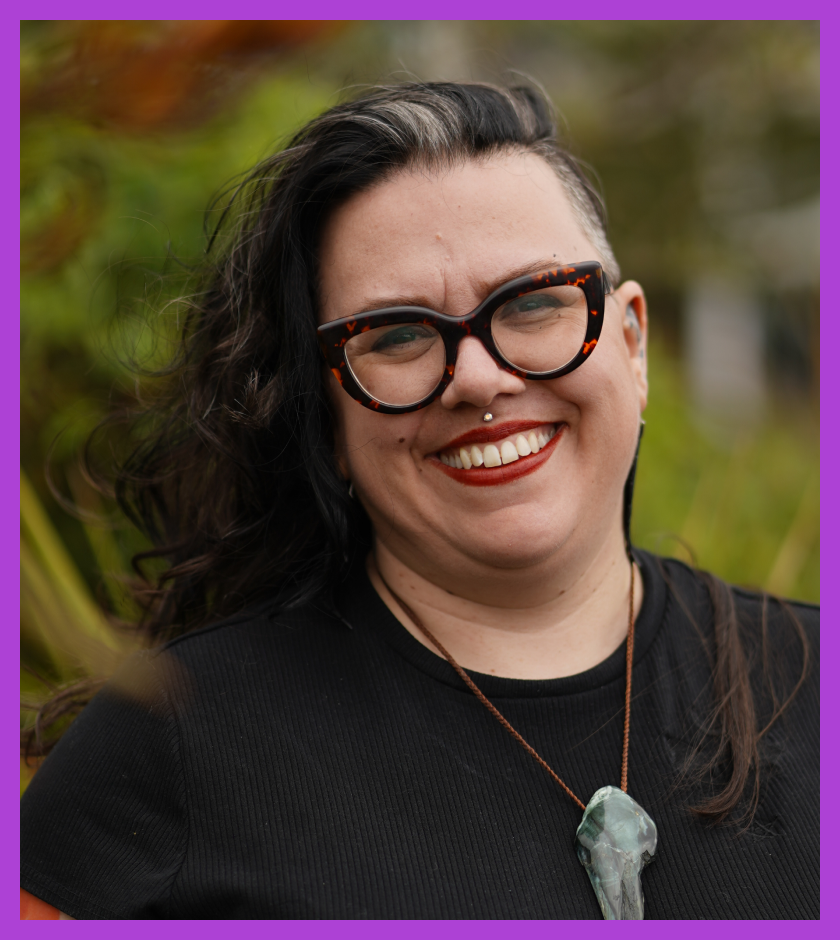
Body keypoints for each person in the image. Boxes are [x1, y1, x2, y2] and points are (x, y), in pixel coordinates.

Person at [20, 81, 817, 920]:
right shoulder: (171, 745)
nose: (478, 378)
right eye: (397, 335)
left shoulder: (818, 683)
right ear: (326, 415)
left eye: (534, 302)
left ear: (631, 343)